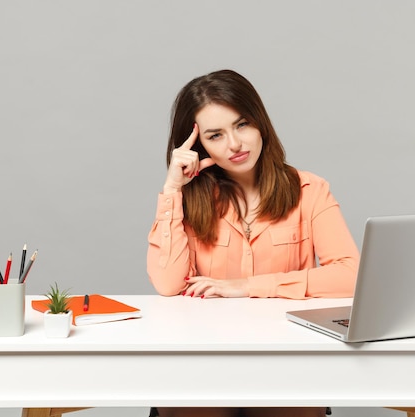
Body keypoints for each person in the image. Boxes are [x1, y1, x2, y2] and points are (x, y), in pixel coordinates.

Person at [147, 69, 360, 417]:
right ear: (198, 145)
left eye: (242, 124)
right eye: (216, 135)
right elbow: (168, 284)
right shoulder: (187, 199)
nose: (235, 144)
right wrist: (172, 191)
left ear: (260, 123)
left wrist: (247, 286)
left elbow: (351, 275)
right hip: (203, 356)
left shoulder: (309, 190)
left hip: (287, 357)